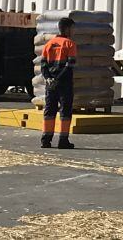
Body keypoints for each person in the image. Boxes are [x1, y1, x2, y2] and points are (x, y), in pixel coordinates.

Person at [40, 16, 77, 149]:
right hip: (64, 83)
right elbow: (69, 66)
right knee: (65, 111)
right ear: (67, 29)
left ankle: (46, 140)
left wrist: (48, 78)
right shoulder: (70, 44)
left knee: (49, 110)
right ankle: (63, 140)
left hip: (50, 84)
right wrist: (58, 79)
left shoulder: (49, 44)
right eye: (73, 29)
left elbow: (43, 64)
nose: (74, 31)